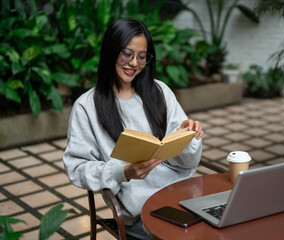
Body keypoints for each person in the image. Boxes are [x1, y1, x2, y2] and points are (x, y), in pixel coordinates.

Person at [63, 18, 203, 239]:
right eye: (126, 54)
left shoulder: (161, 92)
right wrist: (124, 172)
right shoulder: (86, 106)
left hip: (182, 197)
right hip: (140, 211)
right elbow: (78, 169)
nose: (134, 63)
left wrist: (189, 138)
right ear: (111, 51)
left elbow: (189, 162)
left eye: (142, 56)